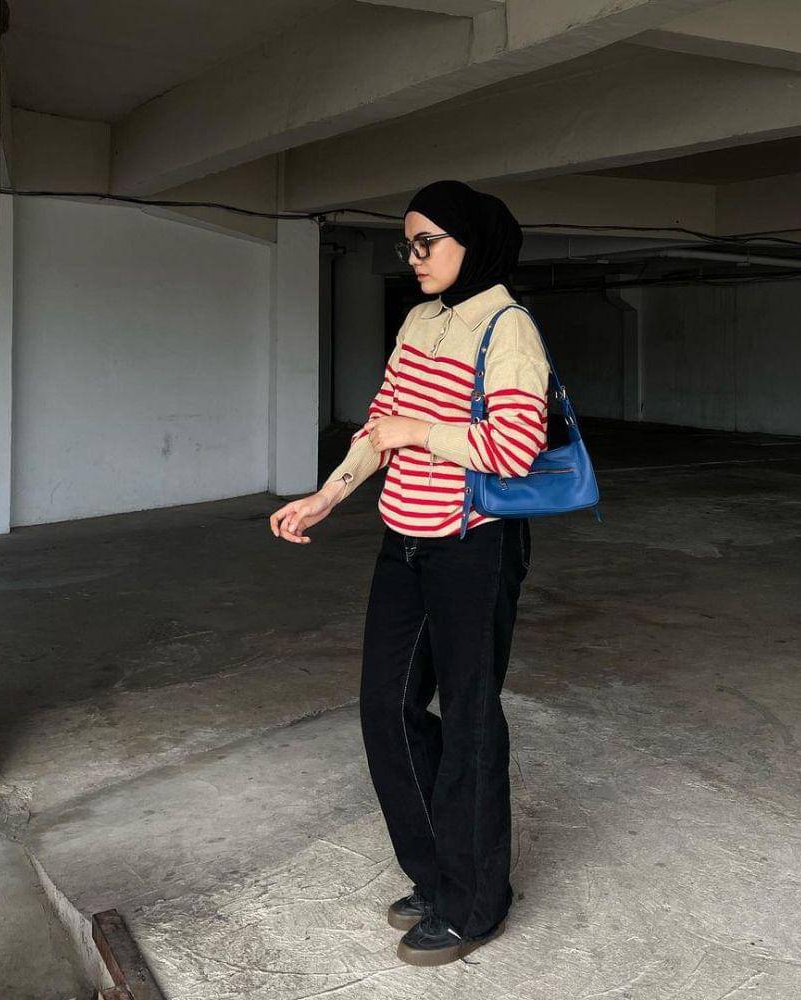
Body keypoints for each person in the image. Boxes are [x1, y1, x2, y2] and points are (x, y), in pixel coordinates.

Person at [269, 179, 551, 966]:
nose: (415, 256)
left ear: (473, 242)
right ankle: (437, 875)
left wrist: (418, 431)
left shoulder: (507, 326)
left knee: (468, 720)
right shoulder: (420, 321)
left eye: (429, 241)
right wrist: (327, 496)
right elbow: (378, 424)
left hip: (475, 546)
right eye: (409, 244)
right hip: (405, 541)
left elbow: (514, 448)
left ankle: (475, 904)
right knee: (387, 708)